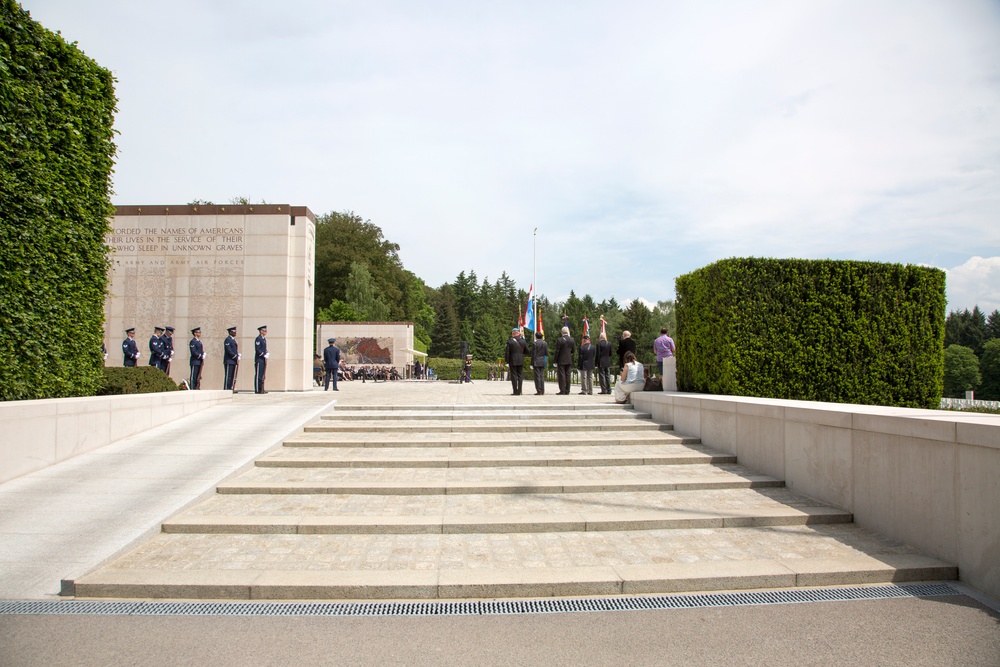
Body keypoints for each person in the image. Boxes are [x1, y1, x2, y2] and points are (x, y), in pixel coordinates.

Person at [504, 327, 528, 395]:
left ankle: (515, 391)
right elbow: (527, 351)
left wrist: (507, 361)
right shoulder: (523, 341)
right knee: (520, 375)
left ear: (513, 333)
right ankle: (519, 391)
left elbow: (507, 352)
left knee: (514, 376)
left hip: (513, 361)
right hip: (520, 360)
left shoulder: (510, 341)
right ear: (518, 333)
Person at [555, 326, 575, 395]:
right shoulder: (572, 339)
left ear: (562, 332)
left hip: (561, 360)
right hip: (569, 359)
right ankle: (568, 390)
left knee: (562, 375)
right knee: (568, 375)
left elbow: (557, 351)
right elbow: (573, 350)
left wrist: (555, 361)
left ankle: (562, 390)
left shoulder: (559, 340)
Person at [531, 331, 548, 395]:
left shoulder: (535, 344)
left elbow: (533, 354)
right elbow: (546, 353)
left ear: (536, 337)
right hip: (542, 360)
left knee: (537, 377)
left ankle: (539, 390)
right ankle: (542, 390)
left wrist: (531, 363)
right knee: (542, 376)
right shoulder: (545, 343)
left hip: (536, 361)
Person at [223, 326, 239, 391]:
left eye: (235, 332)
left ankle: (230, 388)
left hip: (233, 360)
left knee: (232, 376)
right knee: (228, 376)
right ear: (230, 332)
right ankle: (227, 388)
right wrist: (235, 356)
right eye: (233, 332)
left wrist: (237, 355)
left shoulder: (233, 340)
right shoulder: (228, 340)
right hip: (229, 360)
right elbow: (228, 350)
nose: (235, 333)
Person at [254, 325, 268, 394]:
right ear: (261, 331)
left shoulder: (263, 339)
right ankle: (257, 389)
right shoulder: (258, 339)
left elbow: (264, 349)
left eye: (266, 331)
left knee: (262, 375)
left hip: (263, 359)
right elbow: (257, 349)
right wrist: (263, 354)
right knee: (258, 375)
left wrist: (266, 352)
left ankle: (261, 388)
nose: (265, 332)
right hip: (259, 359)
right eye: (264, 330)